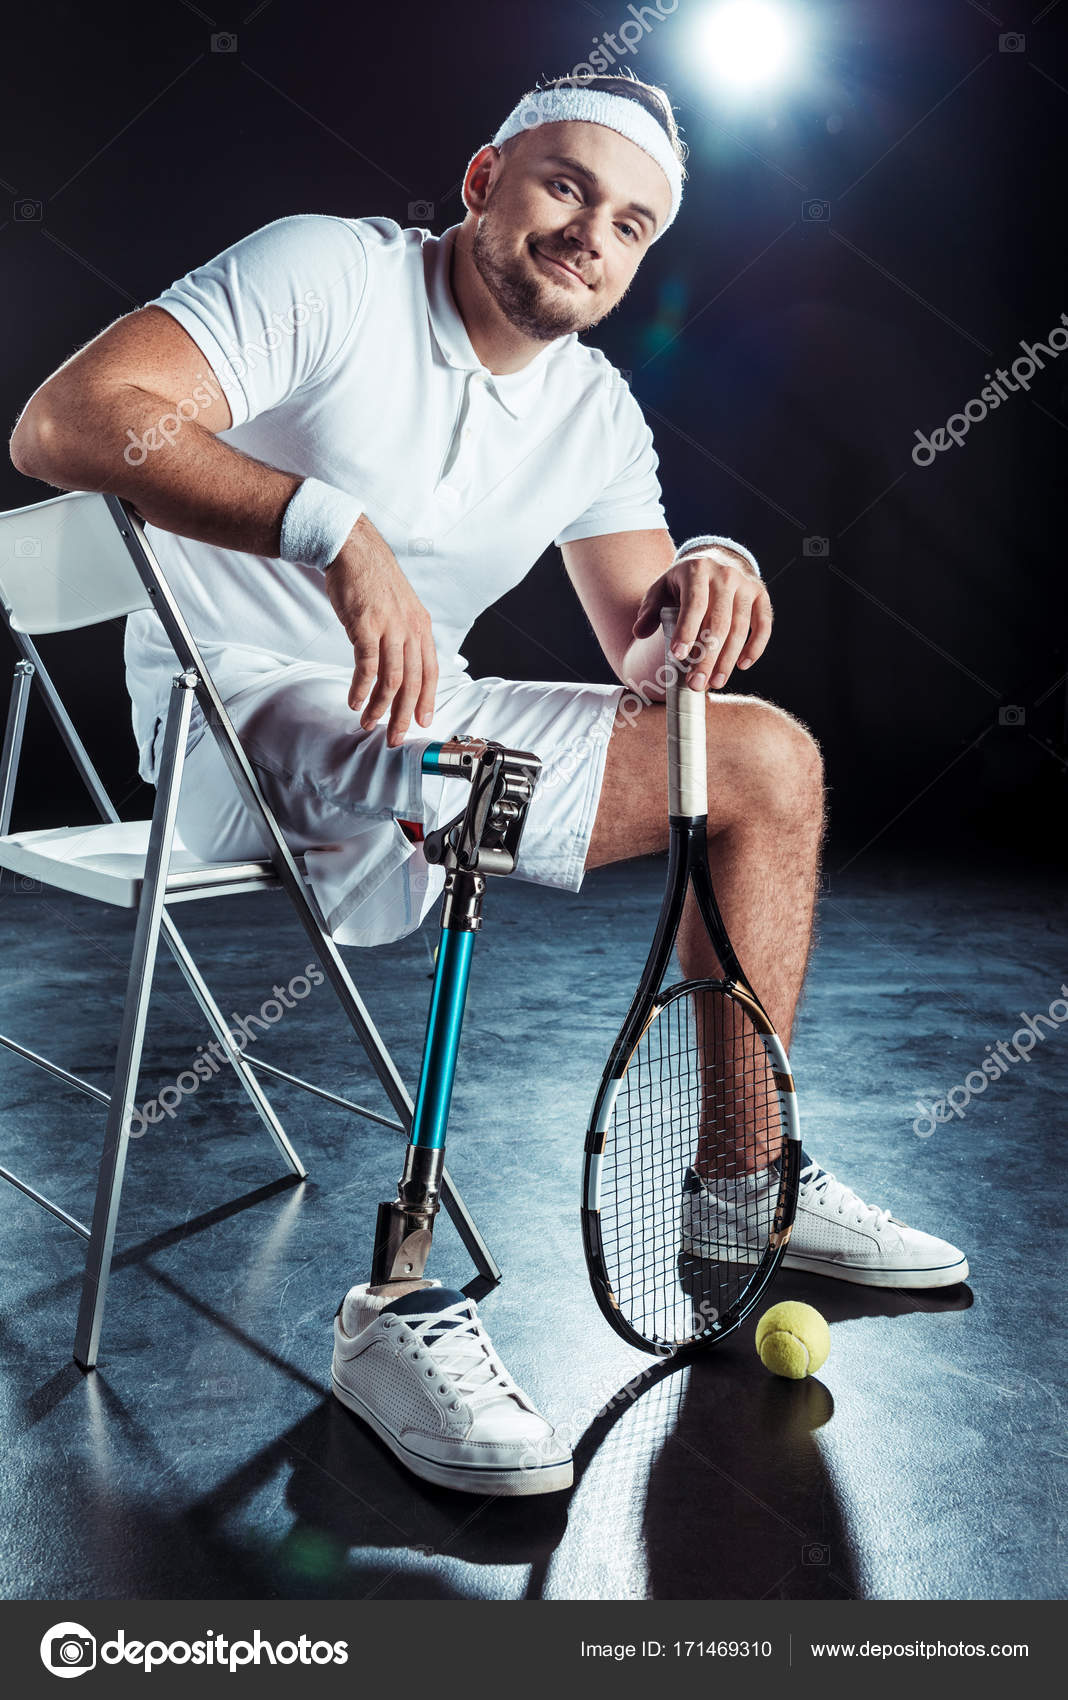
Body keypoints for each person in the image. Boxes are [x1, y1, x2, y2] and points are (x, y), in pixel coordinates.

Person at [9, 72, 968, 1499]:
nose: (592, 234)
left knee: (763, 756)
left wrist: (715, 574)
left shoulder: (590, 408)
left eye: (632, 223)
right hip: (228, 717)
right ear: (483, 182)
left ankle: (741, 1187)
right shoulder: (328, 270)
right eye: (567, 187)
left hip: (421, 716)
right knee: (482, 776)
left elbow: (657, 664)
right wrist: (335, 531)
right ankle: (397, 1296)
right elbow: (68, 422)